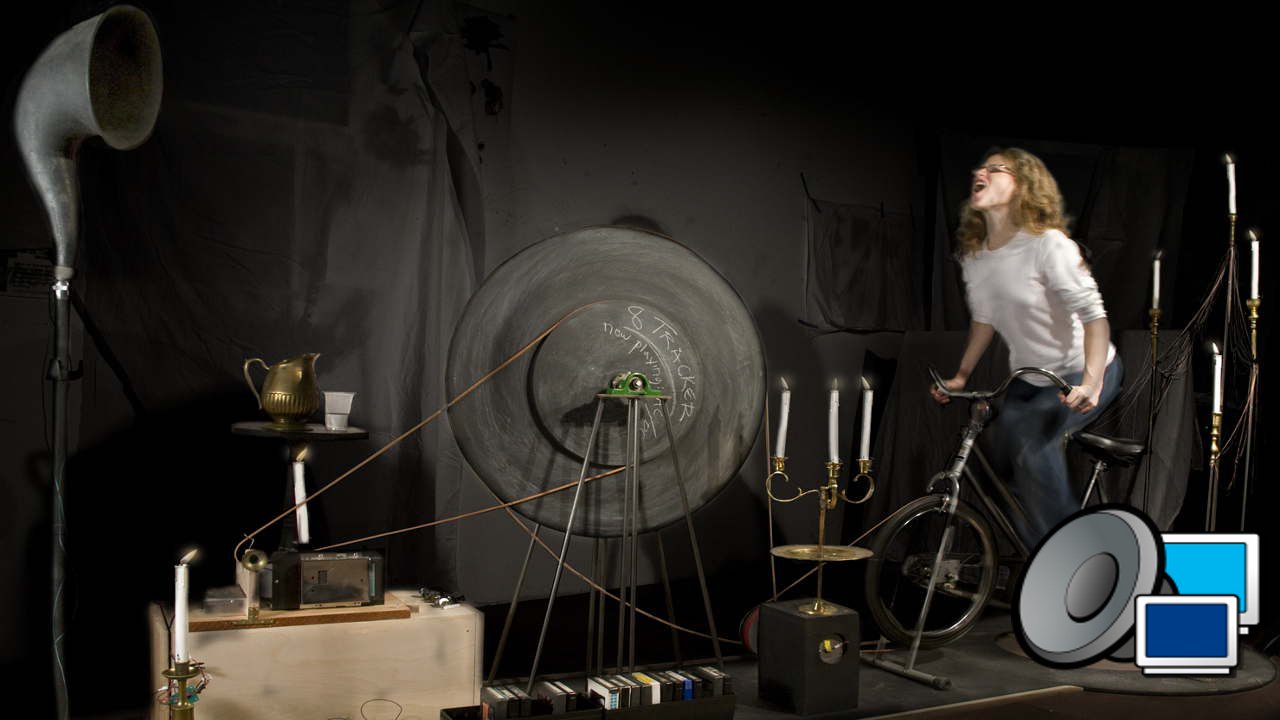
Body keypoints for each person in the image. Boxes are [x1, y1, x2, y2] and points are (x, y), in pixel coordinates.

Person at [930, 148, 1122, 548]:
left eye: (996, 169)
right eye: (981, 167)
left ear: (1023, 186)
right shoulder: (978, 256)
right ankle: (1040, 539)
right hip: (1028, 379)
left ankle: (1069, 554)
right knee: (998, 459)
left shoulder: (1049, 245)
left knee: (1033, 451)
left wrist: (1091, 383)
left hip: (1079, 369)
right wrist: (961, 376)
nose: (981, 172)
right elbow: (984, 319)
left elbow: (1095, 318)